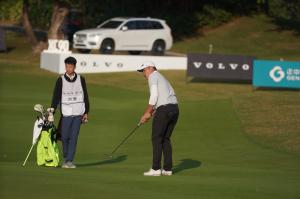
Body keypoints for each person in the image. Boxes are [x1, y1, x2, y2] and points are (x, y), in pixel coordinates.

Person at [137, 61, 179, 176]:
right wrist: (153, 111)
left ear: (151, 68)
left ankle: (156, 169)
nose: (143, 74)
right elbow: (164, 96)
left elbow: (154, 95)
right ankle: (168, 169)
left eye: (144, 70)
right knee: (165, 138)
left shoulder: (153, 76)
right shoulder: (162, 77)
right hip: (174, 109)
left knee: (156, 138)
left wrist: (147, 113)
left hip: (165, 109)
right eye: (142, 71)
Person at [51, 56, 89, 169]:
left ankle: (69, 160)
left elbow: (85, 96)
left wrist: (86, 111)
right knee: (65, 136)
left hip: (78, 113)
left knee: (74, 137)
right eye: (67, 66)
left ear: (74, 67)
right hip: (66, 113)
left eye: (70, 66)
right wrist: (52, 111)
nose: (68, 68)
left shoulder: (81, 79)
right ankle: (66, 155)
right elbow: (56, 97)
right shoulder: (60, 80)